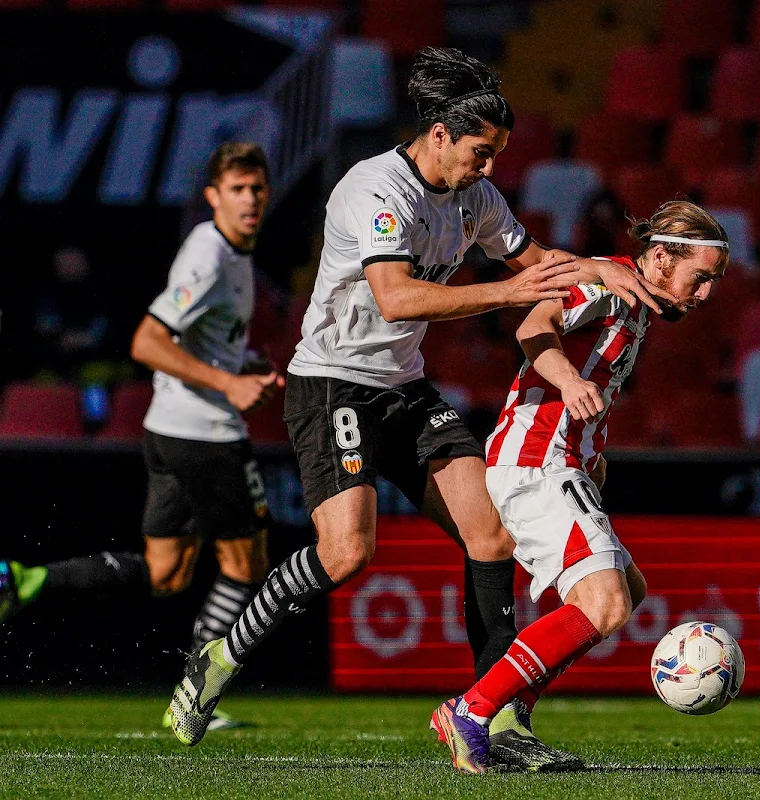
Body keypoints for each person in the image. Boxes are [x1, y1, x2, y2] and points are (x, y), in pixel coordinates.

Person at [164, 47, 670, 771]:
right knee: (348, 553)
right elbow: (397, 297)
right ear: (439, 135)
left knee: (490, 535)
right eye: (480, 153)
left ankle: (494, 718)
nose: (489, 167)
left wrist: (601, 268)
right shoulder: (375, 189)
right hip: (332, 383)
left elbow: (533, 264)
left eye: (495, 155)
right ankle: (220, 656)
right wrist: (507, 294)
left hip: (404, 389)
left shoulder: (476, 198)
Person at [430, 200, 728, 773]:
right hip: (537, 460)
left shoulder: (637, 303)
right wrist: (566, 382)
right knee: (606, 602)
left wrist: (594, 451)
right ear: (661, 258)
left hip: (562, 461)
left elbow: (595, 377)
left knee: (628, 590)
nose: (706, 294)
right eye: (702, 277)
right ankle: (472, 710)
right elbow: (532, 326)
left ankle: (507, 710)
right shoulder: (610, 282)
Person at [1, 142, 281, 732]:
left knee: (166, 575)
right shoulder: (208, 256)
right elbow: (146, 342)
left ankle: (26, 579)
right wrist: (229, 384)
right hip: (205, 434)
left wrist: (241, 359)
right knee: (246, 566)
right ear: (213, 197)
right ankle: (197, 692)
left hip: (168, 430)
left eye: (257, 188)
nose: (250, 199)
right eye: (237, 189)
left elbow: (197, 338)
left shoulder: (232, 254)